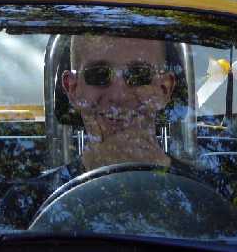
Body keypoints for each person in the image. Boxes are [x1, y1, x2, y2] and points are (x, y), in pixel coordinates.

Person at [60, 34, 178, 171]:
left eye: (138, 75)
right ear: (73, 89)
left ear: (164, 89)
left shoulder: (200, 186)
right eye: (99, 74)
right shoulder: (41, 188)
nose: (118, 96)